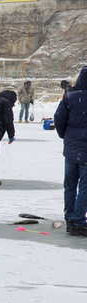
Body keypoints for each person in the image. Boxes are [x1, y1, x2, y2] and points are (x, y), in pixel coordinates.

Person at [55, 67, 87, 236]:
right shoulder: (71, 98)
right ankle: (78, 221)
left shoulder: (70, 98)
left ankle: (70, 218)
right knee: (84, 187)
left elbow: (59, 119)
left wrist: (66, 137)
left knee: (70, 184)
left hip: (71, 149)